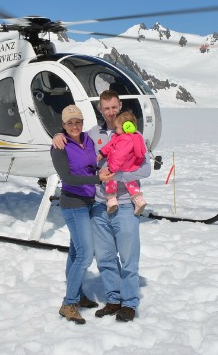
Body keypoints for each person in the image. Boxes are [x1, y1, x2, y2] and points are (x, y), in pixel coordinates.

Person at [52, 90, 151, 322]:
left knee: (128, 257)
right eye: (106, 108)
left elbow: (146, 169)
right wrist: (57, 134)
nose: (111, 112)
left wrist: (119, 176)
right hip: (99, 205)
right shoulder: (92, 134)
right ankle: (114, 299)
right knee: (105, 258)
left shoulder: (132, 132)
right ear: (100, 110)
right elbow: (72, 136)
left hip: (125, 204)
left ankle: (128, 302)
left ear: (120, 106)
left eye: (114, 107)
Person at [50, 104, 112, 324]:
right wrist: (98, 179)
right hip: (73, 203)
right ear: (63, 125)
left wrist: (99, 171)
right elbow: (68, 178)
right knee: (86, 254)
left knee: (76, 254)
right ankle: (69, 303)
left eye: (77, 122)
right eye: (69, 123)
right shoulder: (59, 146)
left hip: (89, 201)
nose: (74, 126)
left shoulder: (87, 139)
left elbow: (89, 165)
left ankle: (78, 294)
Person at [97, 111, 147, 216]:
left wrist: (112, 169)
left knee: (110, 179)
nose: (116, 129)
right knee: (130, 181)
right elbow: (110, 145)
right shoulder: (128, 137)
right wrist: (103, 152)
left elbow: (118, 156)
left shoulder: (125, 140)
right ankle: (139, 199)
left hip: (119, 166)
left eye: (118, 128)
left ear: (127, 127)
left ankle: (111, 200)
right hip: (128, 166)